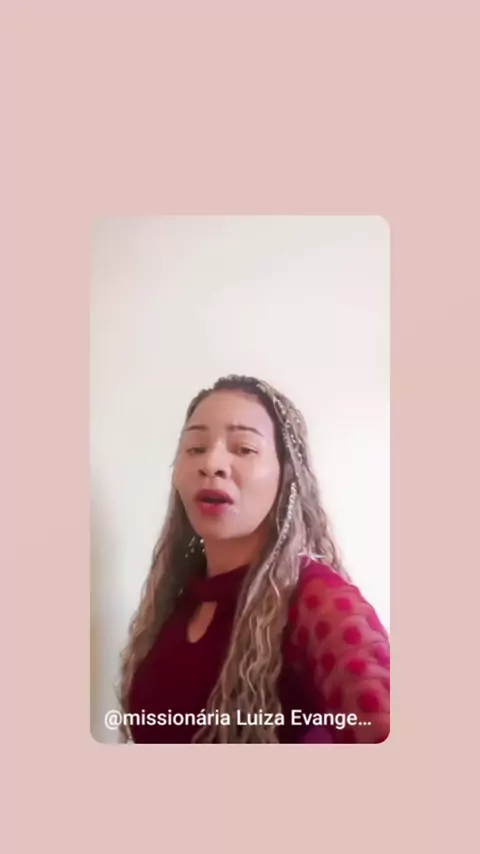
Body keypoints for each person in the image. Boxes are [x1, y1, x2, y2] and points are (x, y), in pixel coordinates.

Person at [118, 374, 390, 744]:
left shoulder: (319, 599)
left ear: (287, 477)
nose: (212, 463)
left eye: (244, 448)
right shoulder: (173, 599)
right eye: (195, 448)